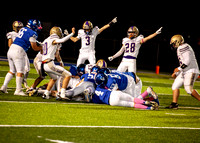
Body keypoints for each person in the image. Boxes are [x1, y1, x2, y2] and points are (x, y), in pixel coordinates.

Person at [1, 19, 42, 96]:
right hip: (19, 51)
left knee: (12, 70)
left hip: (11, 49)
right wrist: (42, 48)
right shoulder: (33, 33)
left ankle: (4, 86)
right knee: (20, 71)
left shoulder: (23, 29)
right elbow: (34, 47)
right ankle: (18, 90)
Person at [167, 35, 200, 109]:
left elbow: (187, 61)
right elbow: (184, 62)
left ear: (178, 41)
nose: (173, 45)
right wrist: (177, 73)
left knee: (189, 89)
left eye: (174, 43)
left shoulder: (183, 47)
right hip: (185, 71)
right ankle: (174, 104)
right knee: (175, 85)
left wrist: (178, 69)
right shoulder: (181, 47)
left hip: (191, 70)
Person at [42, 26, 75, 99]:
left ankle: (46, 93)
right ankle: (62, 94)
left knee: (54, 78)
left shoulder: (46, 40)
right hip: (49, 64)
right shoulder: (53, 39)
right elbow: (62, 40)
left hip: (44, 64)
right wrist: (72, 34)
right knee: (68, 75)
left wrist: (60, 61)